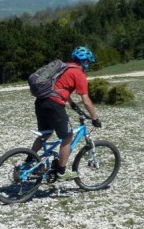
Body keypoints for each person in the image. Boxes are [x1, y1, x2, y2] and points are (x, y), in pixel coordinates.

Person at [30, 46, 101, 181]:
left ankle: (29, 160)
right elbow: (86, 100)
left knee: (46, 132)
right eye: (88, 63)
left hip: (41, 102)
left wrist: (72, 104)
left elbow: (59, 88)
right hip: (54, 105)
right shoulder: (78, 74)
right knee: (67, 137)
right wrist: (95, 118)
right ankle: (61, 172)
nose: (88, 66)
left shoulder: (63, 68)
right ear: (85, 62)